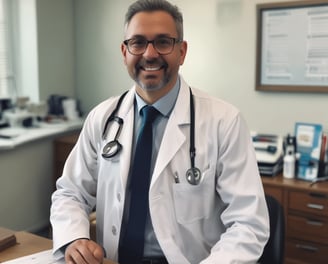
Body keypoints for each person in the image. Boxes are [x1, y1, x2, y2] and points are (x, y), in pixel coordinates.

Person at [50, 0, 270, 263]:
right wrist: (75, 237)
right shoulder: (102, 118)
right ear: (124, 52)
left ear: (182, 51)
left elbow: (248, 223)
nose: (150, 54)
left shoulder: (224, 121)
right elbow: (70, 192)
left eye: (163, 42)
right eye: (138, 42)